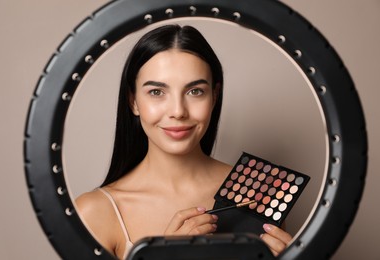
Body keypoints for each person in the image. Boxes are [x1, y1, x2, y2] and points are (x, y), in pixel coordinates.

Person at [76, 24, 292, 259]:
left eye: (195, 91)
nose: (178, 111)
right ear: (133, 101)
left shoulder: (258, 189)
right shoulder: (96, 212)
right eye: (157, 92)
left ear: (214, 97)